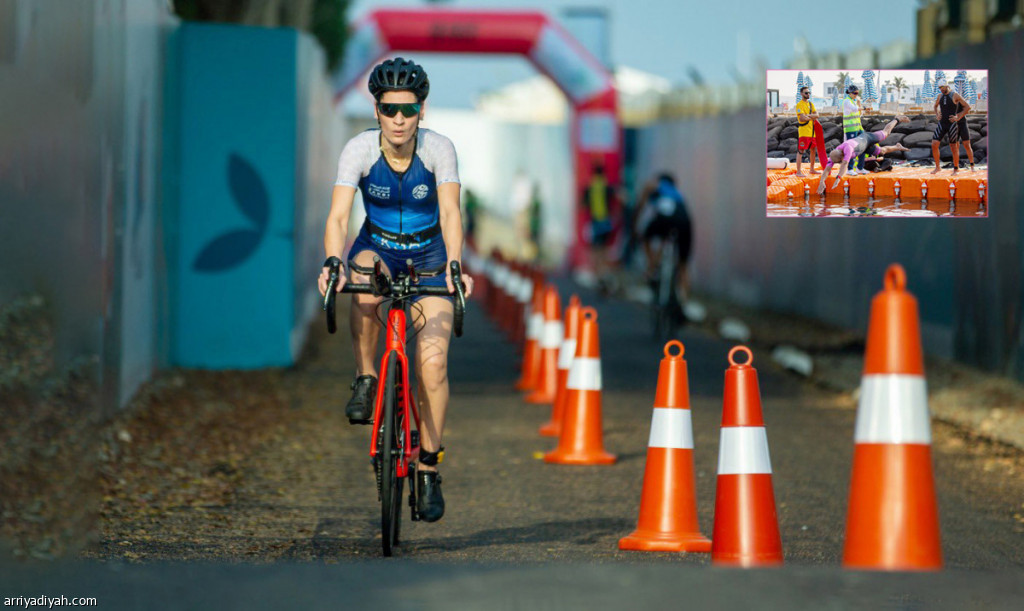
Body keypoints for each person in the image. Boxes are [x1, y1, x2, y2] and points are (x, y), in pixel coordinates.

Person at [317, 57, 474, 523]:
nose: (399, 119)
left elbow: (451, 213)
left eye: (408, 109)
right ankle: (366, 377)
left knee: (433, 366)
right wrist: (332, 262)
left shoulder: (438, 148)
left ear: (422, 109)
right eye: (389, 109)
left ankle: (428, 467)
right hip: (378, 249)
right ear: (377, 110)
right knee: (363, 280)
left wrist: (455, 266)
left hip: (429, 257)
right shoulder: (360, 149)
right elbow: (338, 217)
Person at [634, 173, 692, 317]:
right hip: (684, 221)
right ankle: (684, 302)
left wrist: (635, 223)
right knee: (683, 265)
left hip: (664, 220)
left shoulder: (656, 185)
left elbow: (641, 205)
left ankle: (652, 268)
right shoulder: (678, 193)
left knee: (646, 237)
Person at [817, 115, 910, 193]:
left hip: (867, 138)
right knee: (882, 151)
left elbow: (844, 164)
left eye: (839, 162)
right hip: (864, 148)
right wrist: (821, 182)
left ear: (841, 157)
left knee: (886, 132)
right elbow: (827, 169)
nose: (839, 163)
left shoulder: (847, 148)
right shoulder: (835, 153)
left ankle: (897, 119)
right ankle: (897, 147)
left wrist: (838, 178)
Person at [580, 163, 617, 290]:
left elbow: (583, 204)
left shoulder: (590, 187)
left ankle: (596, 274)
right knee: (604, 248)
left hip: (595, 221)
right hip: (606, 221)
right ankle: (603, 273)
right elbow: (618, 198)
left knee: (595, 248)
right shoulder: (607, 186)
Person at [930, 78, 974, 175]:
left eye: (942, 87)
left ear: (947, 85)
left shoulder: (955, 95)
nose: (941, 89)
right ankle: (937, 167)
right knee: (934, 144)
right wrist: (937, 114)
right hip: (942, 123)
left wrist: (958, 117)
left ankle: (956, 168)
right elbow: (935, 106)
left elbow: (967, 107)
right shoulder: (940, 96)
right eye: (939, 88)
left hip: (952, 124)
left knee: (954, 146)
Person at [795, 86, 820, 177]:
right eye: (806, 93)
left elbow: (817, 115)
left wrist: (808, 116)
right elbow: (802, 119)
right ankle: (798, 172)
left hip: (812, 132)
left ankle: (812, 169)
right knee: (801, 151)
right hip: (804, 132)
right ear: (801, 94)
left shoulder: (811, 104)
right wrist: (812, 116)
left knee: (813, 150)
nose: (808, 94)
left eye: (809, 93)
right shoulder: (799, 104)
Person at [841, 84, 866, 175]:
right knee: (851, 149)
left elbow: (860, 114)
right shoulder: (847, 101)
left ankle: (860, 167)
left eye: (857, 93)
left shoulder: (854, 101)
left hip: (858, 128)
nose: (856, 95)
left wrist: (859, 104)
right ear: (850, 93)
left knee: (863, 146)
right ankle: (850, 169)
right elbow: (854, 109)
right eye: (854, 93)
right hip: (850, 129)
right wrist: (863, 107)